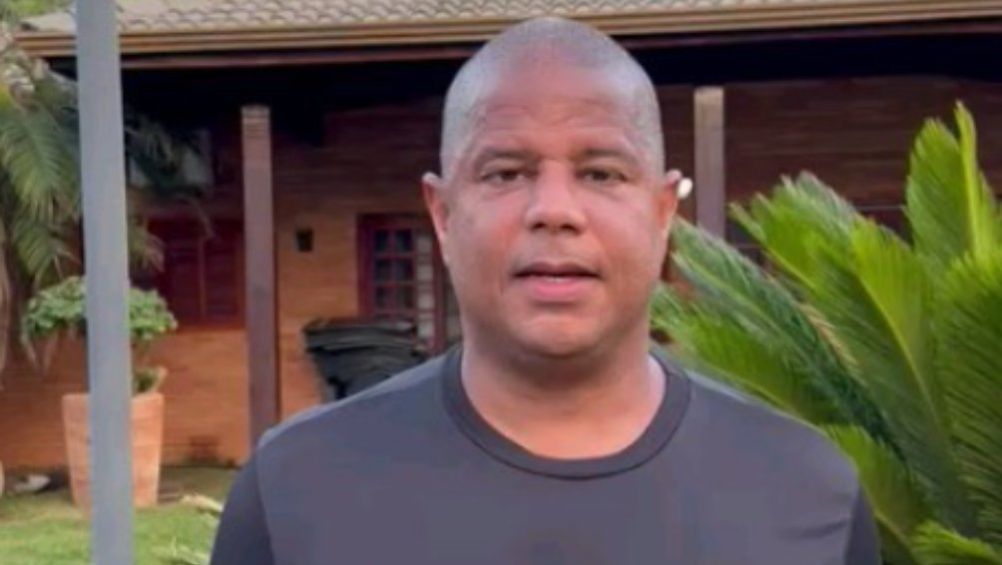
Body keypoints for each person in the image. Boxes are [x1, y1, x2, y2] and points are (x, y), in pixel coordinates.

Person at [212, 17, 879, 564]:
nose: (554, 210)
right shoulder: (297, 489)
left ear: (661, 214)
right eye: (506, 172)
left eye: (601, 173)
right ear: (443, 215)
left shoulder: (806, 489)